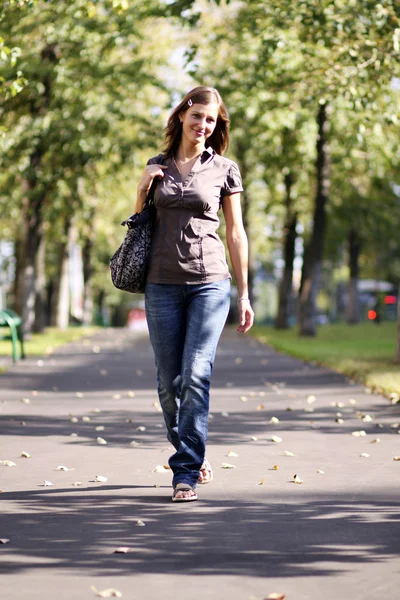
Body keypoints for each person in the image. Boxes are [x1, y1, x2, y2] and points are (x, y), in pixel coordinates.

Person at [135, 86, 254, 502]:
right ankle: (190, 446)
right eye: (197, 115)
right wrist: (140, 192)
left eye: (211, 120)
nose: (203, 125)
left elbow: (237, 233)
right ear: (183, 114)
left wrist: (243, 293)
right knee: (169, 384)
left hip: (210, 282)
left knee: (197, 375)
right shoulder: (157, 166)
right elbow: (139, 227)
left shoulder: (225, 169)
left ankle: (184, 470)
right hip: (161, 283)